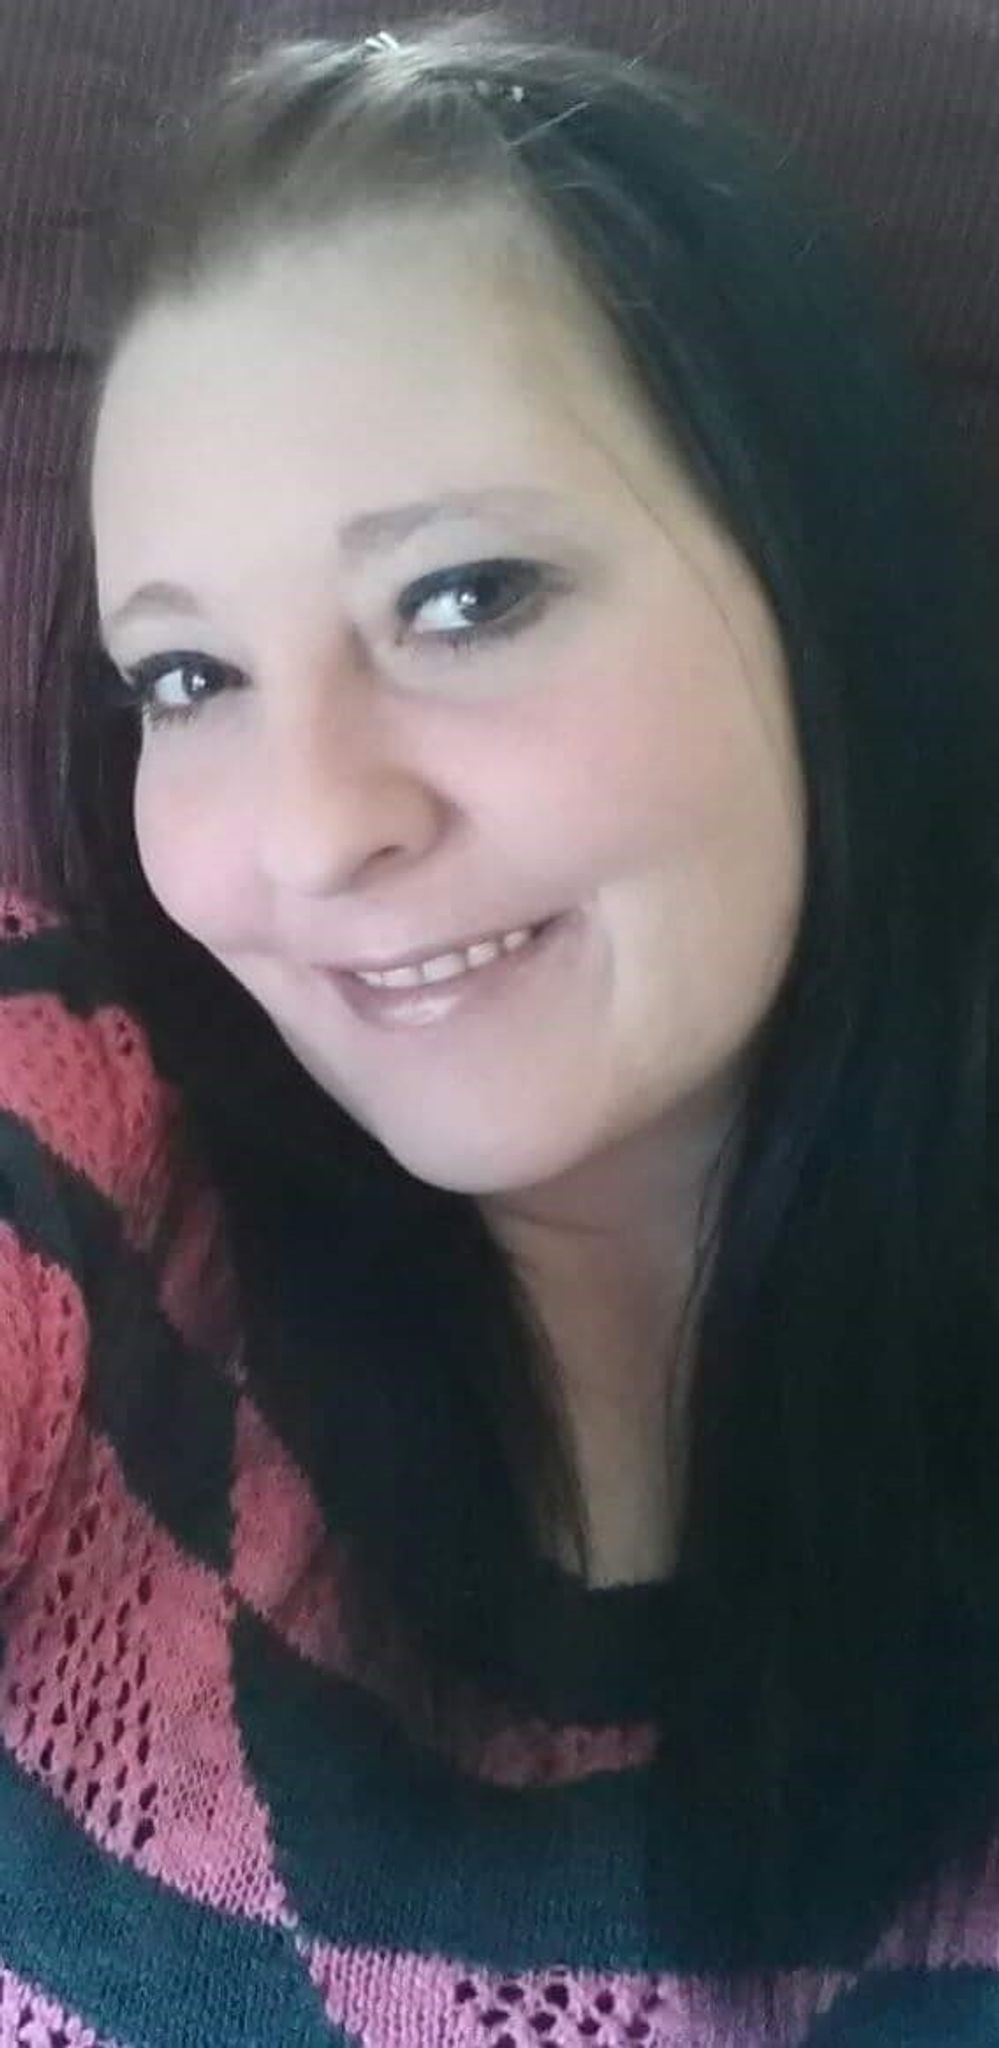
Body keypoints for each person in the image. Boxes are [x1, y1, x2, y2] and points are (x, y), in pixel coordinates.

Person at [2, 12, 999, 2042]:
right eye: (188, 677)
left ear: (822, 579)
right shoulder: (80, 1143)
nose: (312, 830)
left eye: (464, 598)